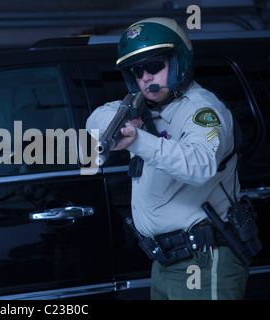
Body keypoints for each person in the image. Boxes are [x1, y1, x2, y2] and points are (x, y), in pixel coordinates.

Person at [86, 17, 249, 299]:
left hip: (202, 260)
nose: (146, 77)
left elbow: (199, 167)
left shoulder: (202, 110)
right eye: (137, 71)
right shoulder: (146, 108)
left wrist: (139, 140)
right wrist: (127, 122)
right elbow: (95, 119)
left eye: (154, 66)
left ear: (178, 62)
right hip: (166, 261)